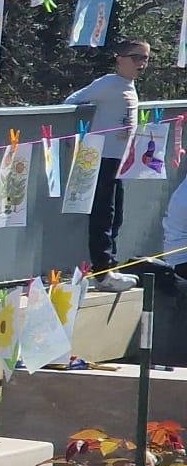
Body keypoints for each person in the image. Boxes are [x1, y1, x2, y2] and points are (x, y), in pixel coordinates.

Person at [67, 39, 150, 291]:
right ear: (120, 58)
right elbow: (72, 100)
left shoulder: (129, 86)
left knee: (116, 215)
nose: (142, 64)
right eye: (137, 58)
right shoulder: (108, 84)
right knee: (103, 215)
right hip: (102, 159)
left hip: (120, 161)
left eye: (146, 59)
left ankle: (110, 266)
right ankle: (102, 271)